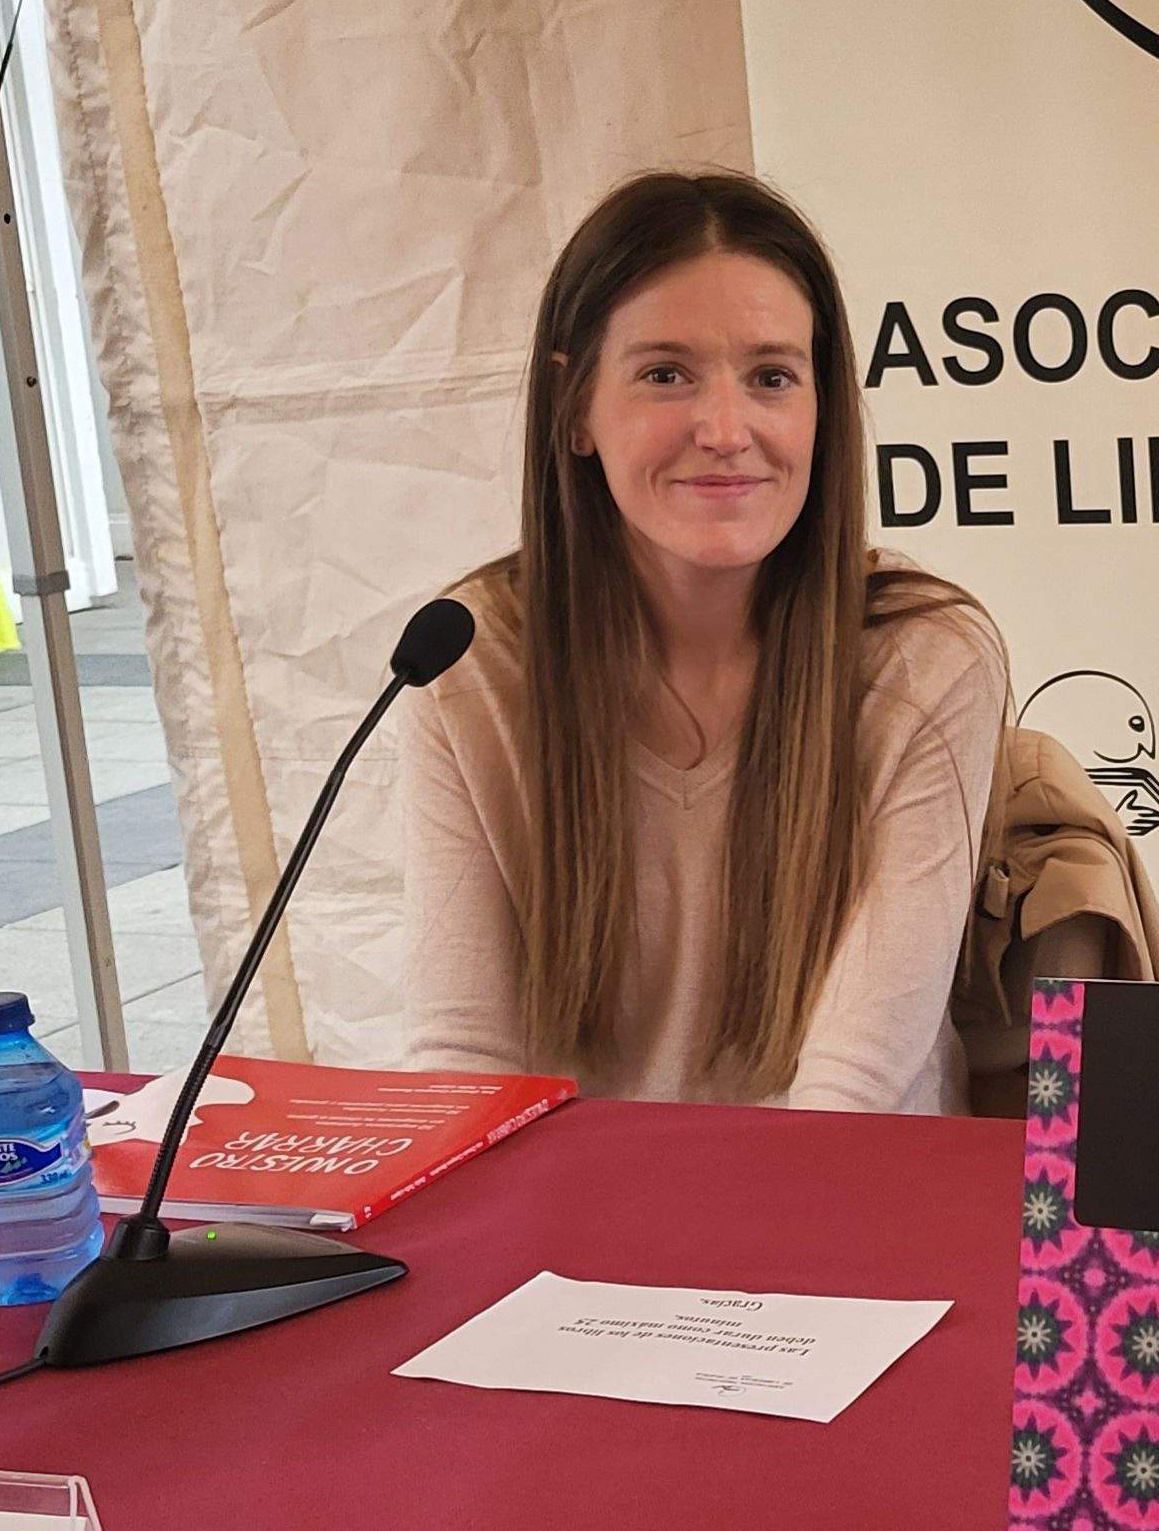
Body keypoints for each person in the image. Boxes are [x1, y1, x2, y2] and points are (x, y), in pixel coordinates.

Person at [404, 171, 1007, 1111]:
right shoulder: (472, 656)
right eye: (665, 375)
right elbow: (462, 1054)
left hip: (836, 1210)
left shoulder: (928, 657)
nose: (726, 430)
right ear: (574, 411)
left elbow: (854, 1089)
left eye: (772, 377)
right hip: (579, 1234)